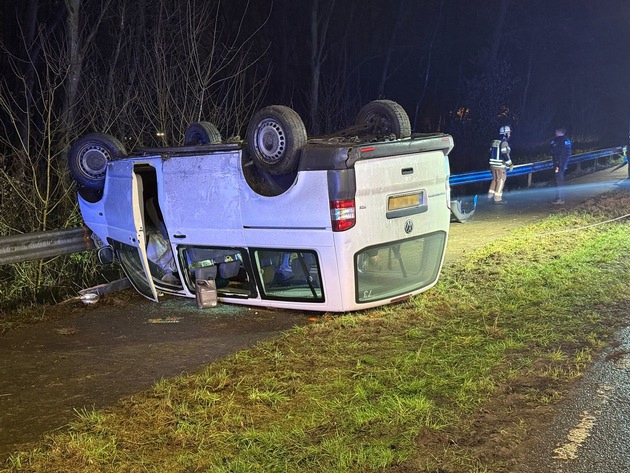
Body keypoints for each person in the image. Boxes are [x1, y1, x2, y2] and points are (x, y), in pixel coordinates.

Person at [488, 125, 514, 204]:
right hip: (500, 166)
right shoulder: (504, 142)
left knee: (494, 180)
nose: (509, 134)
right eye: (508, 133)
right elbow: (505, 154)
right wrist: (510, 164)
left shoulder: (494, 141)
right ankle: (498, 199)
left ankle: (490, 196)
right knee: (501, 181)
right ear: (505, 133)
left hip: (492, 165)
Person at [550, 127, 572, 204]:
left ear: (559, 132)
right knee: (559, 180)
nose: (555, 132)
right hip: (562, 164)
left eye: (556, 131)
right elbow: (567, 153)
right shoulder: (567, 140)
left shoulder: (560, 141)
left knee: (558, 180)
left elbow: (556, 152)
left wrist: (558, 163)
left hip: (558, 164)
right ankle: (560, 198)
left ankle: (559, 199)